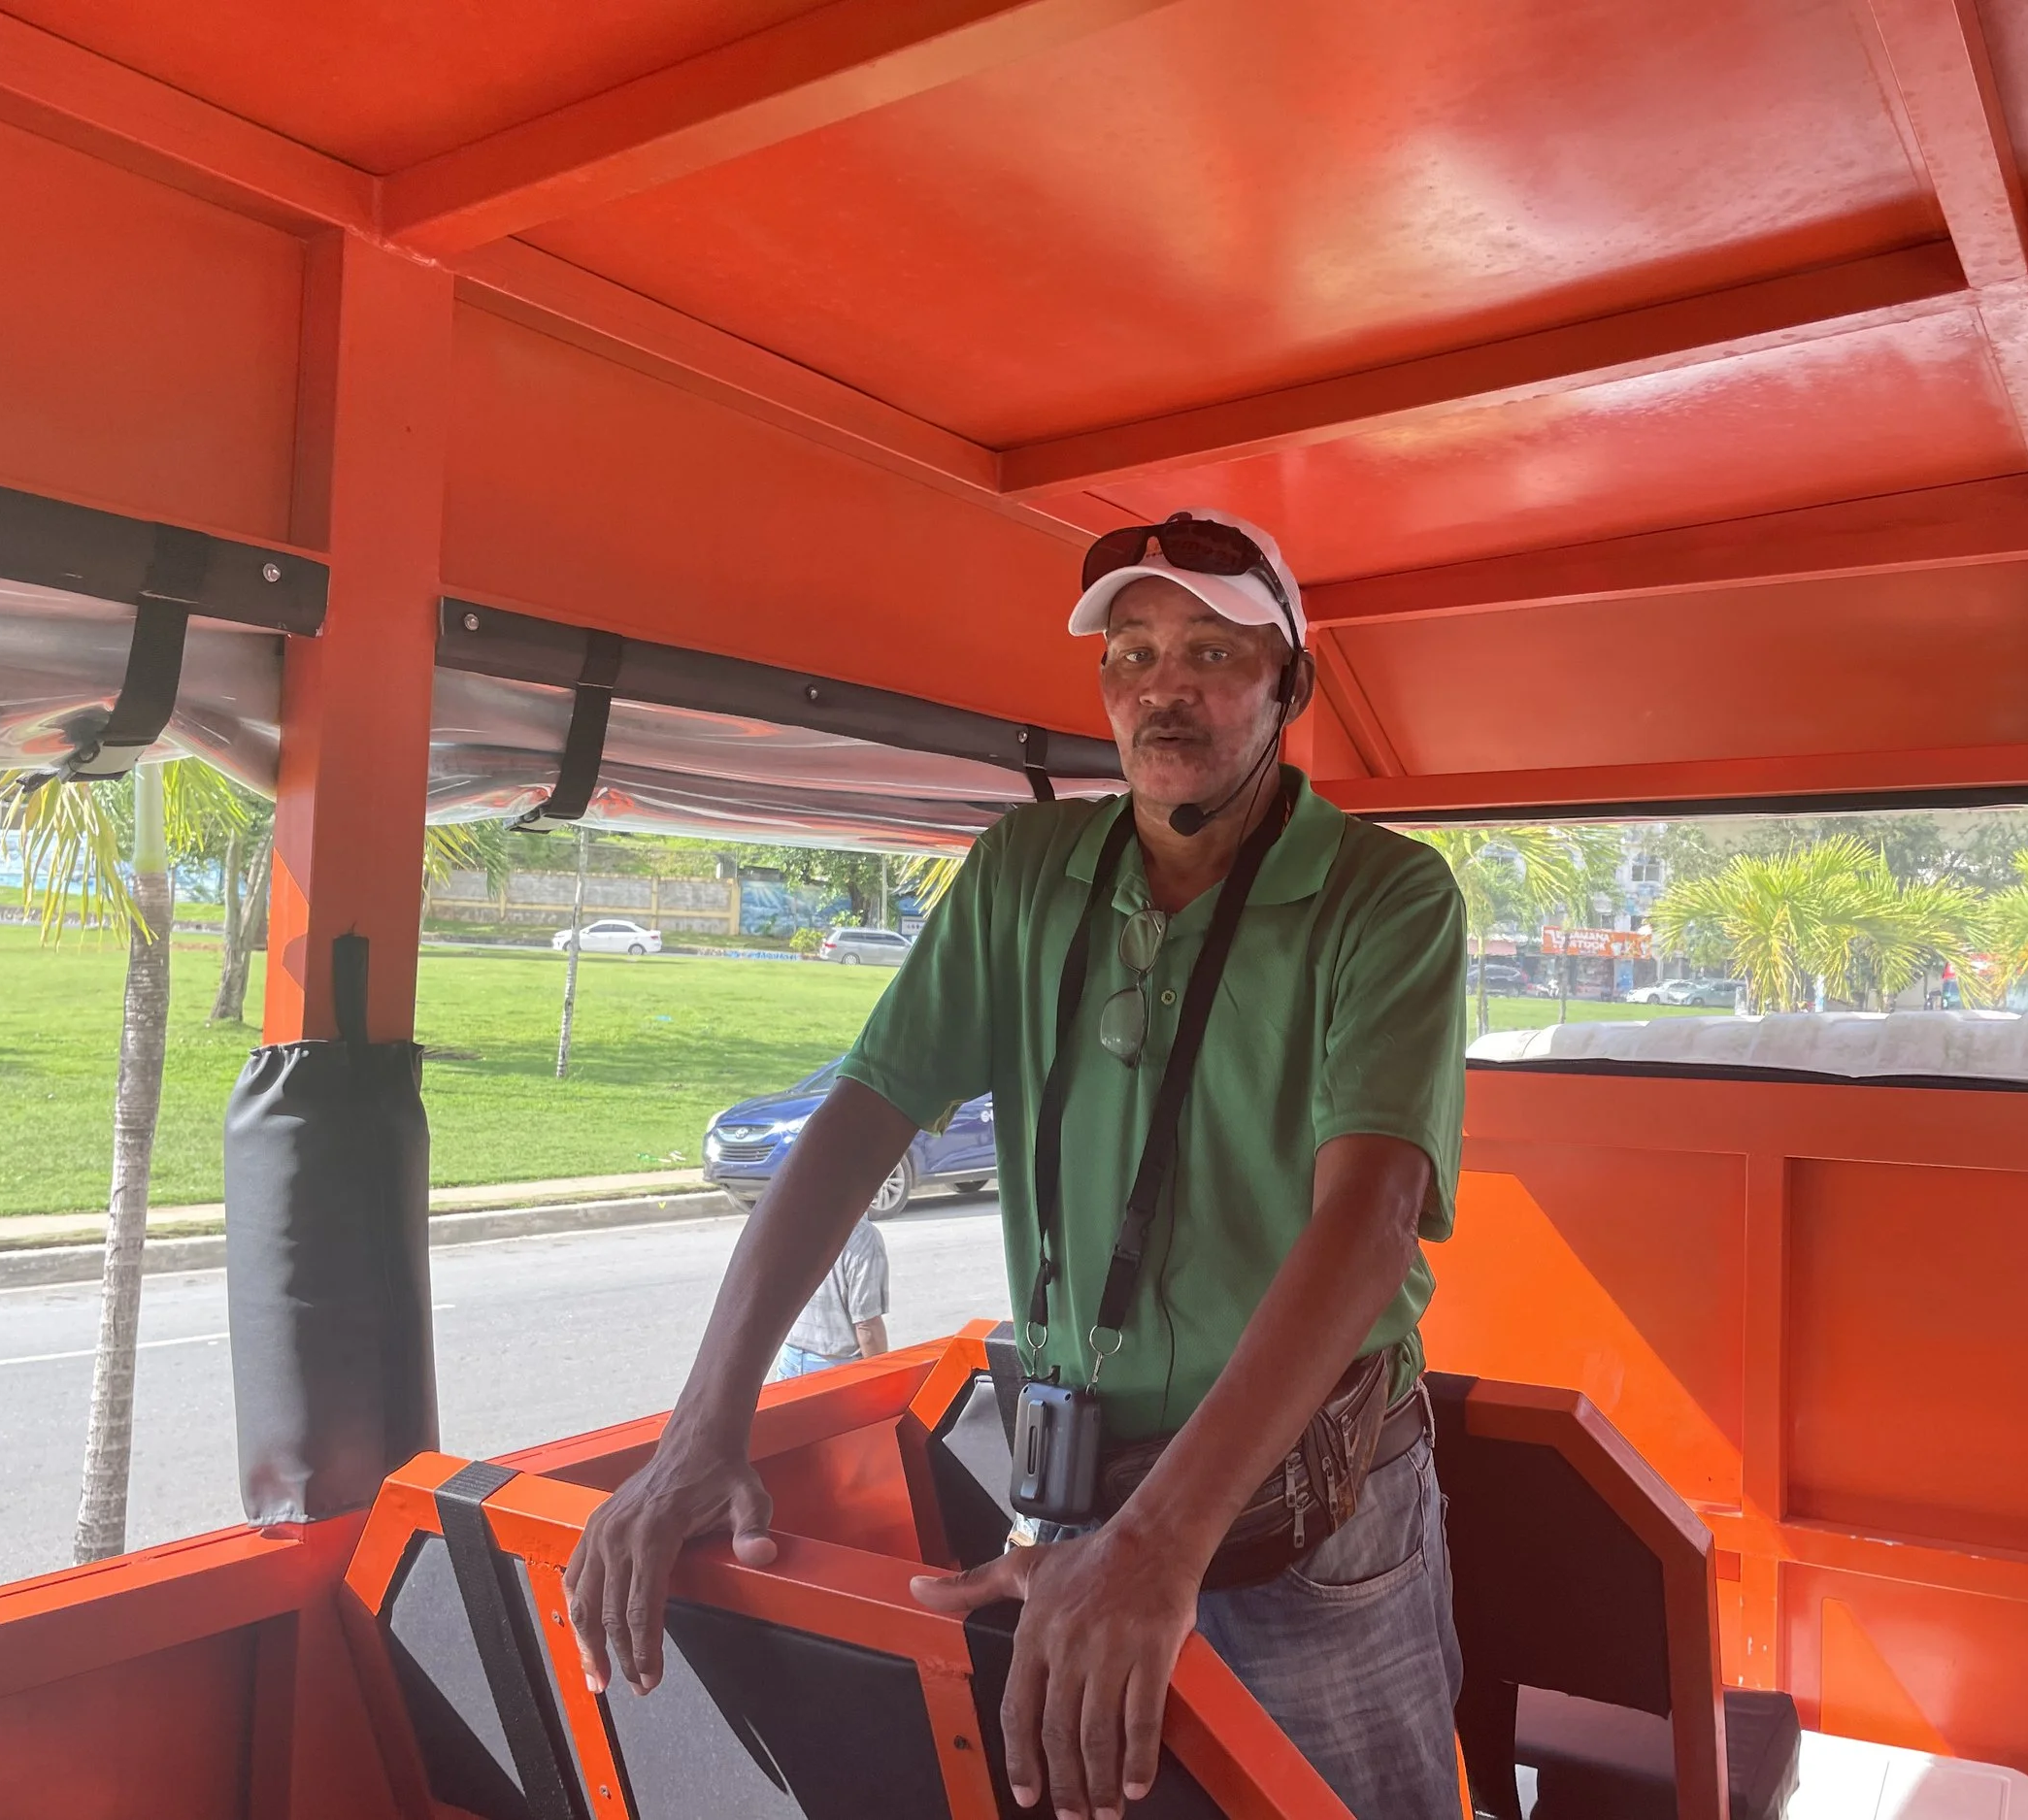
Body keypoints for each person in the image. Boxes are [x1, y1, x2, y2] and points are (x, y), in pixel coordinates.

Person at [565, 509, 1470, 1820]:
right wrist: (702, 1427)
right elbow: (863, 1115)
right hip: (1079, 1495)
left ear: (1294, 686)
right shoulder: (1023, 871)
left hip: (1312, 1520)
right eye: (1132, 654)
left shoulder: (1387, 898)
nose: (1163, 688)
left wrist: (1158, 1544)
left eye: (1213, 652)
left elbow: (1372, 1219)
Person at [768, 1207, 888, 1378]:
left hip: (790, 1359)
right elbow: (867, 1327)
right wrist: (880, 1380)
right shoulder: (862, 1236)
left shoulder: (792, 1221)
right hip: (836, 1369)